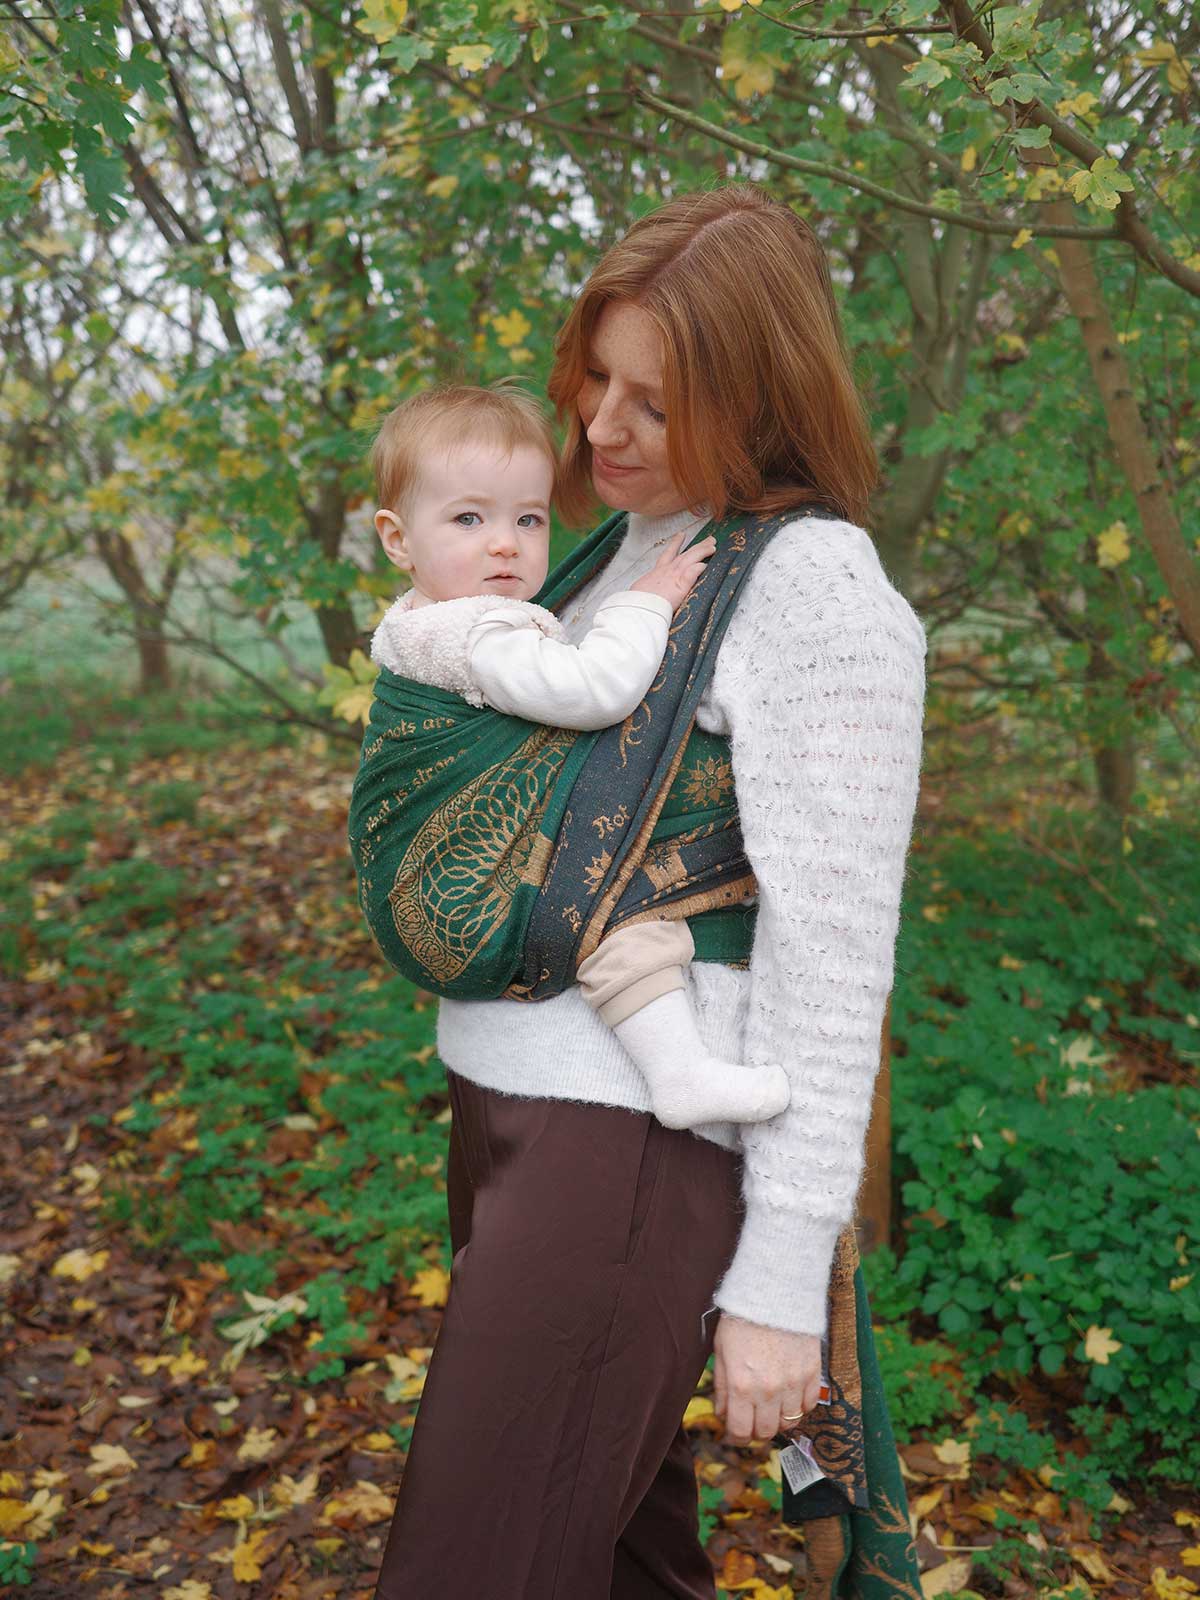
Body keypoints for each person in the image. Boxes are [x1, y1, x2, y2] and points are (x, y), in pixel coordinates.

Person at [372, 183, 927, 1600]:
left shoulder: (813, 588)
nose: (601, 429)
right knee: (619, 1561)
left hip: (624, 1159)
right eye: (593, 379)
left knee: (473, 1569)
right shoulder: (606, 548)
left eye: (654, 403)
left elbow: (832, 949)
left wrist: (780, 1283)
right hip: (514, 1120)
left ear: (759, 400)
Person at [366, 381, 791, 1130]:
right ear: (397, 539)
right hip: (462, 894)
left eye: (527, 518)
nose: (505, 542)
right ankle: (681, 1073)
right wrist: (646, 600)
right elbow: (595, 691)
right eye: (469, 518)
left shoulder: (425, 621)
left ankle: (682, 1071)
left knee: (606, 902)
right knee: (610, 903)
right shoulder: (475, 633)